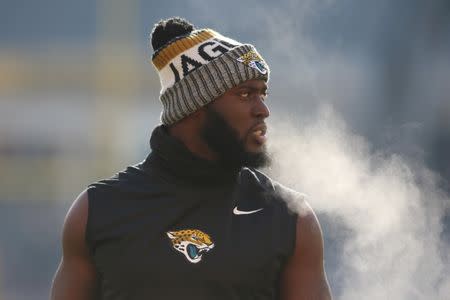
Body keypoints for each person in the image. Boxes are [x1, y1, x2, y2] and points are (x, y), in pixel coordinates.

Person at [50, 17, 332, 300]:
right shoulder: (97, 211)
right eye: (245, 94)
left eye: (263, 94)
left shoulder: (289, 218)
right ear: (194, 107)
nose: (262, 110)